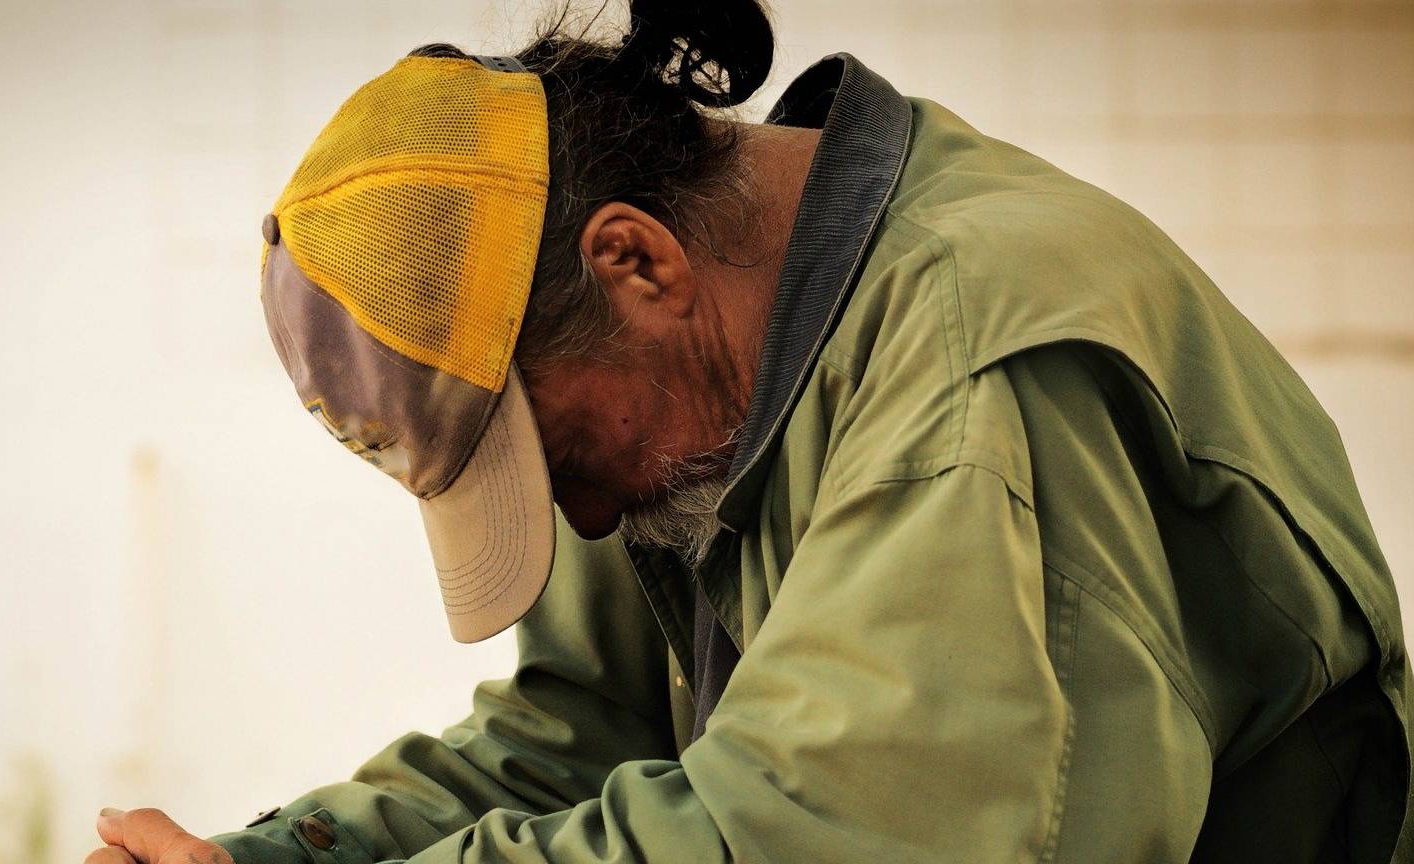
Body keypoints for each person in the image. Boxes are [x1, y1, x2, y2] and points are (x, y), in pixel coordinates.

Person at [88, 1, 1411, 861]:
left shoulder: (969, 369)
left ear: (635, 263)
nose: (581, 518)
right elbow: (578, 740)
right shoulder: (678, 394)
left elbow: (829, 832)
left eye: (554, 460)